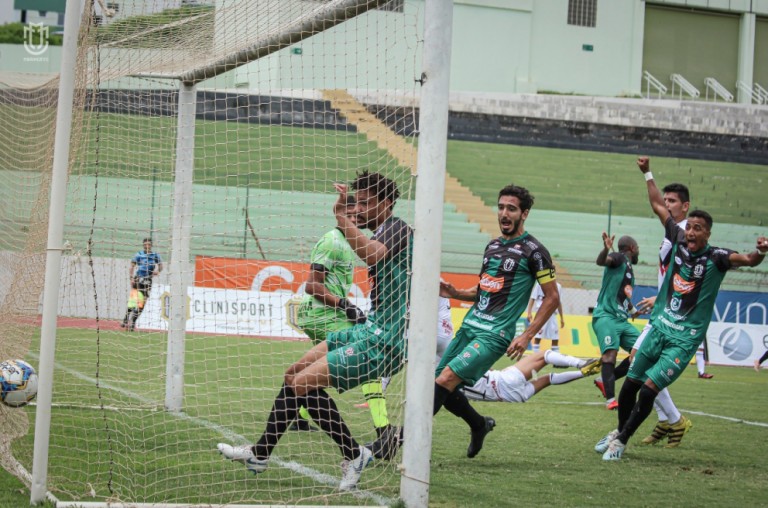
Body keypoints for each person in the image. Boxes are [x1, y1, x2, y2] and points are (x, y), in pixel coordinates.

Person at [217, 171, 412, 491]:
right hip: (370, 329)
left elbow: (372, 254)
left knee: (303, 384)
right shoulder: (380, 230)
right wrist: (344, 217)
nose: (358, 210)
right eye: (355, 203)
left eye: (364, 203)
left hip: (386, 340)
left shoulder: (397, 228)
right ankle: (263, 454)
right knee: (293, 374)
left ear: (386, 203)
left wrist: (340, 217)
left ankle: (350, 454)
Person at [596, 156, 768, 461]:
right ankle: (621, 432)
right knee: (629, 385)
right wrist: (647, 172)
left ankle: (623, 439)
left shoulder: (717, 258)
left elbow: (749, 260)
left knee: (648, 390)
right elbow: (657, 206)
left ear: (707, 234)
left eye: (698, 229)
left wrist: (761, 251)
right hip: (660, 326)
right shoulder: (676, 237)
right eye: (689, 229)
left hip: (684, 338)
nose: (690, 233)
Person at [435, 184, 560, 459]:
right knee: (441, 384)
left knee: (445, 380)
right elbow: (483, 289)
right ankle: (479, 424)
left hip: (495, 334)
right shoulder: (491, 246)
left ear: (524, 214)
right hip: (470, 326)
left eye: (511, 209)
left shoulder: (535, 251)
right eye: (501, 207)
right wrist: (456, 293)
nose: (504, 213)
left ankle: (398, 440)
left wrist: (526, 335)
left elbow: (551, 298)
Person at [292, 195, 391, 438]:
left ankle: (299, 417)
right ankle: (384, 430)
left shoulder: (349, 242)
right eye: (352, 209)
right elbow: (312, 286)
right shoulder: (332, 241)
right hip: (320, 313)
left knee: (320, 369)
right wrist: (344, 305)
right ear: (341, 213)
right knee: (367, 358)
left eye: (361, 208)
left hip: (324, 313)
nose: (358, 213)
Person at [630, 181, 695, 447]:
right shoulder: (673, 230)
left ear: (685, 206)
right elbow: (655, 203)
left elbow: (688, 274)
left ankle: (675, 419)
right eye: (666, 200)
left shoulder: (686, 235)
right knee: (640, 363)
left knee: (639, 362)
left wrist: (662, 296)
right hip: (662, 310)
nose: (667, 205)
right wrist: (647, 174)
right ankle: (667, 420)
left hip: (672, 313)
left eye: (673, 201)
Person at [591, 232, 640, 410]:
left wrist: (633, 310)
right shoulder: (618, 258)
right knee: (610, 355)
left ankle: (603, 380)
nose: (639, 253)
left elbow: (621, 293)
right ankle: (611, 400)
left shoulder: (628, 268)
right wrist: (605, 248)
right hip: (607, 317)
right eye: (638, 249)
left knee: (642, 351)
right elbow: (602, 261)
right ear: (632, 248)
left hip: (622, 320)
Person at [462, 350, 601, 403]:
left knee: (548, 379)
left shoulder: (446, 385)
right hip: (505, 381)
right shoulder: (457, 365)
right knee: (544, 355)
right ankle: (582, 364)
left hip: (513, 397)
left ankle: (583, 373)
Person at [121, 237, 162, 328]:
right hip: (138, 279)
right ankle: (126, 318)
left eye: (149, 244)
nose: (147, 246)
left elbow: (160, 266)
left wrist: (158, 271)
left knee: (142, 304)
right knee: (133, 301)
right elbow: (131, 267)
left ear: (151, 245)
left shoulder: (155, 255)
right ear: (143, 245)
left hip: (148, 281)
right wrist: (131, 278)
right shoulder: (139, 254)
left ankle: (133, 322)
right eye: (145, 244)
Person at [526, 282, 565, 353]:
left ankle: (556, 358)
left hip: (552, 314)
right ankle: (535, 356)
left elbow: (558, 302)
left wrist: (561, 318)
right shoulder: (539, 284)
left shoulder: (558, 286)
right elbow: (533, 298)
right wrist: (529, 312)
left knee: (555, 338)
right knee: (538, 337)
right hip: (541, 314)